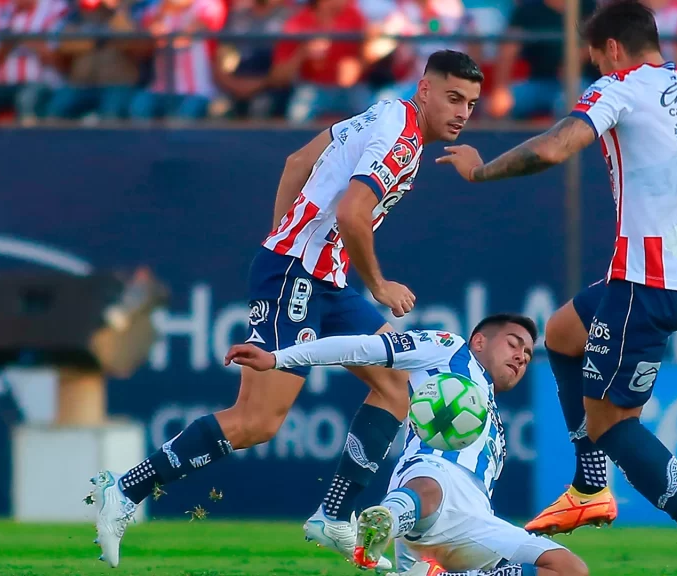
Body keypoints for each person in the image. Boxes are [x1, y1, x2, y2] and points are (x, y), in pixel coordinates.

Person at [436, 2, 677, 574]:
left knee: (614, 424)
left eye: (595, 58)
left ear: (612, 49)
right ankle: (590, 487)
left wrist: (480, 170)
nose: (597, 69)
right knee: (562, 334)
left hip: (645, 285)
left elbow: (555, 146)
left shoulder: (622, 89)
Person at [90, 49, 484, 569]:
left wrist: (284, 236)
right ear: (426, 90)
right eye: (453, 97)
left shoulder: (383, 111)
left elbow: (296, 163)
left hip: (325, 277)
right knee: (257, 421)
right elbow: (351, 214)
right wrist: (378, 284)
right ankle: (124, 491)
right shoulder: (402, 138)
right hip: (300, 276)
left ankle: (333, 515)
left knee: (396, 386)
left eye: (472, 103)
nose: (462, 112)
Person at [224, 314, 589, 576]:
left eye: (527, 354)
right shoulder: (448, 349)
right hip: (429, 486)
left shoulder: (489, 410)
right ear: (480, 341)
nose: (521, 356)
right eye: (513, 343)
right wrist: (279, 358)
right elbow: (362, 348)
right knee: (434, 482)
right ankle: (389, 518)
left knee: (569, 568)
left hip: (478, 521)